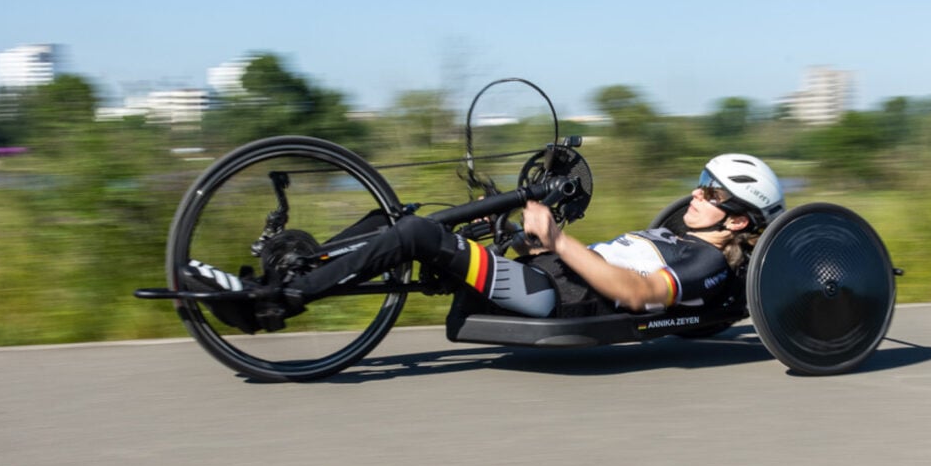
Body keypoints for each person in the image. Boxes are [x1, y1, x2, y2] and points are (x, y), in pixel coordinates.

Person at [181, 154, 786, 333]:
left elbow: (636, 295)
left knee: (417, 237)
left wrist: (559, 239)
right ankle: (297, 269)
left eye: (713, 193)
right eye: (701, 182)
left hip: (555, 296)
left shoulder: (705, 260)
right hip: (545, 273)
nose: (697, 192)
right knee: (406, 224)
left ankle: (269, 304)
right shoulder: (672, 233)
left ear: (738, 222)